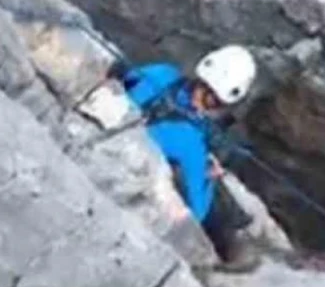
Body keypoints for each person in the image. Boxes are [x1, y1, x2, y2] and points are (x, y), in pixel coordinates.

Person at [108, 45, 256, 256]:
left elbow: (126, 75)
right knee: (216, 194)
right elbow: (198, 211)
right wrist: (209, 177)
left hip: (127, 130)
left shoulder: (163, 72)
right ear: (219, 101)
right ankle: (232, 251)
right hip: (150, 167)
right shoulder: (191, 146)